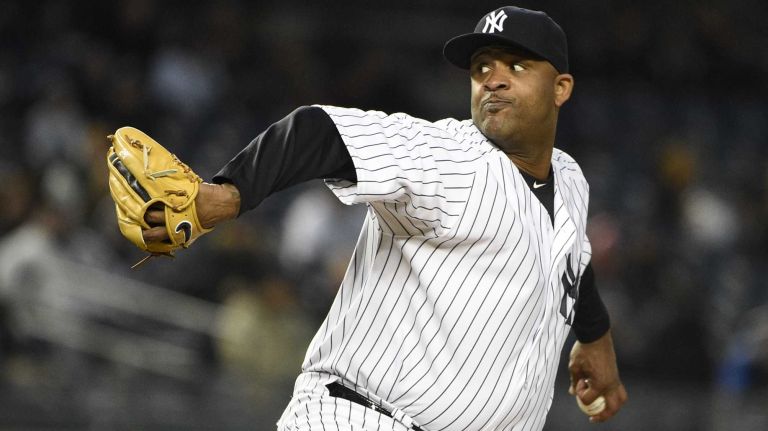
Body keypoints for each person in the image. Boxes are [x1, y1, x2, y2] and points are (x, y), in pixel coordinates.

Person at [141, 6, 627, 430]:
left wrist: (595, 337)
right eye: (481, 67)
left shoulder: (569, 178)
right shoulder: (449, 155)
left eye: (516, 65)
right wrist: (228, 194)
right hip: (361, 417)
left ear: (561, 87)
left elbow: (567, 258)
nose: (492, 79)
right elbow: (319, 130)